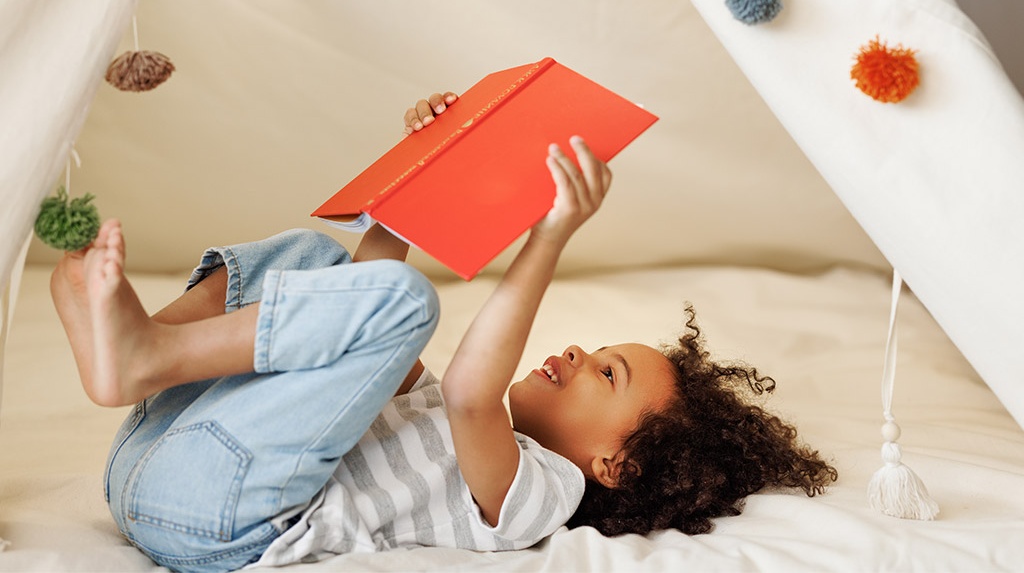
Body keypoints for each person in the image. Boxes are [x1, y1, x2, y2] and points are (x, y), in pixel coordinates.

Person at [50, 92, 837, 572]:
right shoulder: (416, 408)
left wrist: (552, 234)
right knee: (322, 260)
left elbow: (470, 391)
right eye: (599, 350)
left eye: (605, 373)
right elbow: (354, 296)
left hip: (212, 519)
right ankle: (142, 350)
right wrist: (427, 163)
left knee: (403, 303)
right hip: (163, 456)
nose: (575, 352)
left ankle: (143, 356)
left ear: (617, 464)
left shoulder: (540, 495)